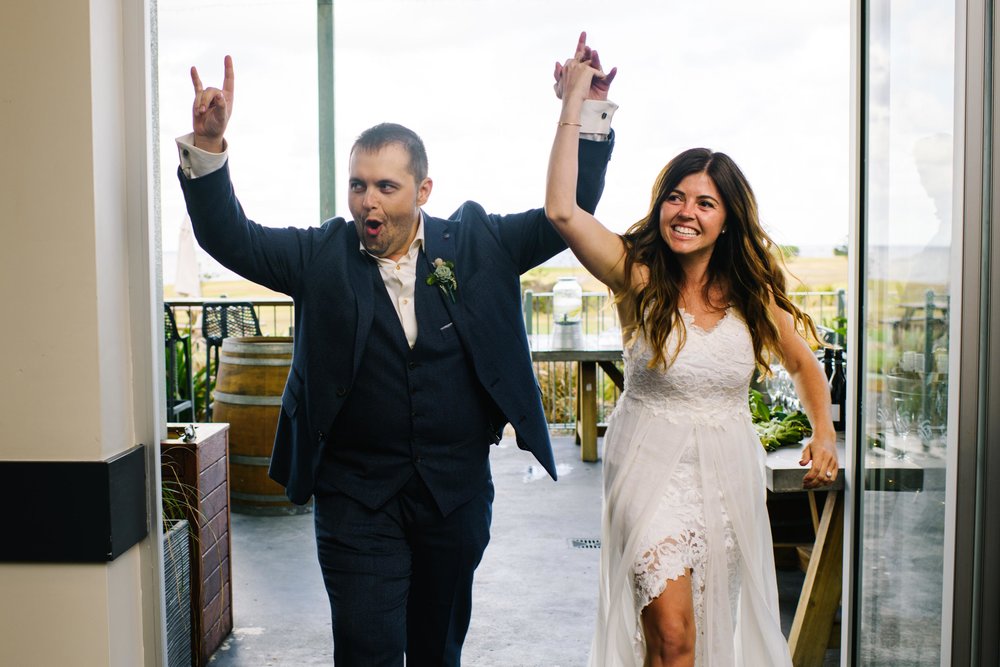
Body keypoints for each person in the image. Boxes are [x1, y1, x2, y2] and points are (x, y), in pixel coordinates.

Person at [176, 36, 616, 667]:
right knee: (367, 649)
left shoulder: (479, 243)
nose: (368, 201)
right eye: (358, 186)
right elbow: (231, 237)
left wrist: (589, 113)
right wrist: (211, 146)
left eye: (385, 186)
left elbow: (569, 213)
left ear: (424, 190)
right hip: (356, 498)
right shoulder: (320, 255)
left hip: (454, 494)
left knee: (437, 650)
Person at [545, 54, 839, 666]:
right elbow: (563, 213)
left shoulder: (751, 298)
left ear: (728, 219)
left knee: (690, 639)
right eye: (675, 198)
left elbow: (806, 366)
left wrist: (824, 431)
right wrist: (577, 106)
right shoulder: (637, 276)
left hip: (726, 473)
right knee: (674, 637)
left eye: (705, 203)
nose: (686, 212)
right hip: (648, 470)